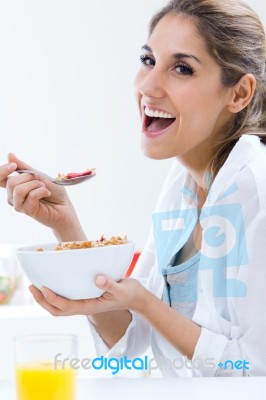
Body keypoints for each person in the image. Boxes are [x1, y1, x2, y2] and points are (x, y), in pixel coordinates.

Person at [2, 0, 266, 377]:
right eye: (147, 61)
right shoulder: (182, 184)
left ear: (238, 94)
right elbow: (131, 342)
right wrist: (65, 226)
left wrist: (147, 304)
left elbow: (257, 371)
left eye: (181, 68)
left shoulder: (257, 196)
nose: (148, 86)